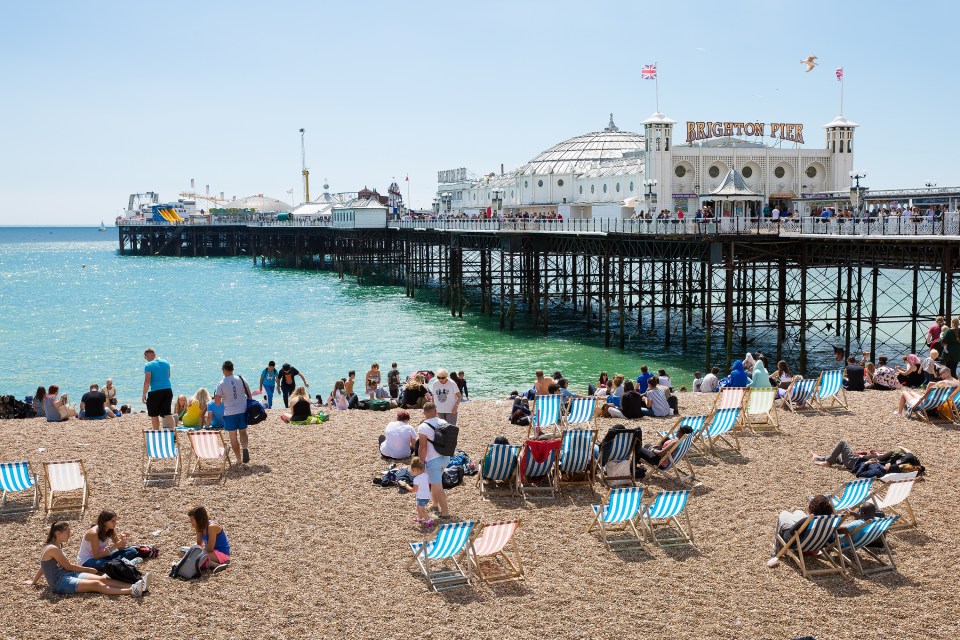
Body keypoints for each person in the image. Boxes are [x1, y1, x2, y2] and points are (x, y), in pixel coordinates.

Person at [24, 521, 148, 597]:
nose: (70, 534)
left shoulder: (54, 546)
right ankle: (131, 590)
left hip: (68, 575)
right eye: (67, 532)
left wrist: (34, 581)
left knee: (102, 578)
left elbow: (43, 566)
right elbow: (68, 566)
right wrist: (88, 569)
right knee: (97, 584)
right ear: (58, 533)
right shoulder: (52, 549)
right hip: (59, 583)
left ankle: (137, 585)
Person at [767, 495, 834, 565]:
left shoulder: (808, 520)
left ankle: (776, 551)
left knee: (783, 514)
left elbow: (792, 532)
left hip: (795, 543)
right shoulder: (832, 521)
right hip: (817, 544)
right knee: (798, 512)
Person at [214, 360, 251, 466]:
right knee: (243, 432)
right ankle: (245, 448)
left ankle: (239, 460)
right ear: (233, 369)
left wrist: (224, 399)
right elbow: (249, 395)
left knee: (233, 436)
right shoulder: (241, 379)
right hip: (242, 410)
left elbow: (217, 402)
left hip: (230, 412)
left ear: (223, 370)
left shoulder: (221, 384)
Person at [417, 403, 450, 519]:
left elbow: (423, 447)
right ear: (436, 411)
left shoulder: (423, 426)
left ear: (424, 413)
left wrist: (421, 461)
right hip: (445, 458)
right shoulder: (444, 422)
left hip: (433, 459)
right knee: (435, 482)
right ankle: (435, 505)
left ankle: (445, 513)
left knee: (437, 486)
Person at [812, 441, 899, 478]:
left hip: (854, 463)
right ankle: (818, 458)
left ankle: (827, 462)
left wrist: (866, 463)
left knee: (842, 443)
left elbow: (859, 474)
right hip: (855, 461)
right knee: (839, 457)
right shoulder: (882, 464)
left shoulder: (879, 470)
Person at [182, 506, 230, 572]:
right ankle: (208, 563)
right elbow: (199, 544)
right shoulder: (198, 527)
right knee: (181, 552)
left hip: (221, 553)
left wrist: (195, 553)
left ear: (198, 519)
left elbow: (210, 548)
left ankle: (215, 565)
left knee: (195, 557)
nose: (190, 522)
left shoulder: (211, 527)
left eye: (192, 520)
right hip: (210, 552)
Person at [142, 348, 174, 431]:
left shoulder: (148, 365)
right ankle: (174, 432)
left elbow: (147, 382)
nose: (146, 359)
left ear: (147, 355)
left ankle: (156, 433)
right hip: (168, 390)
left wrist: (144, 394)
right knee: (167, 413)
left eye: (145, 357)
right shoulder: (166, 363)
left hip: (156, 392)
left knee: (154, 414)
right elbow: (168, 376)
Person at [400, 457, 434, 529]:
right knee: (419, 508)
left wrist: (406, 485)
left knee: (421, 510)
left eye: (412, 471)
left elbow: (413, 490)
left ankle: (429, 521)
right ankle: (420, 519)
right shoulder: (425, 475)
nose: (412, 473)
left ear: (414, 469)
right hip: (427, 496)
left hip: (421, 497)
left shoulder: (416, 479)